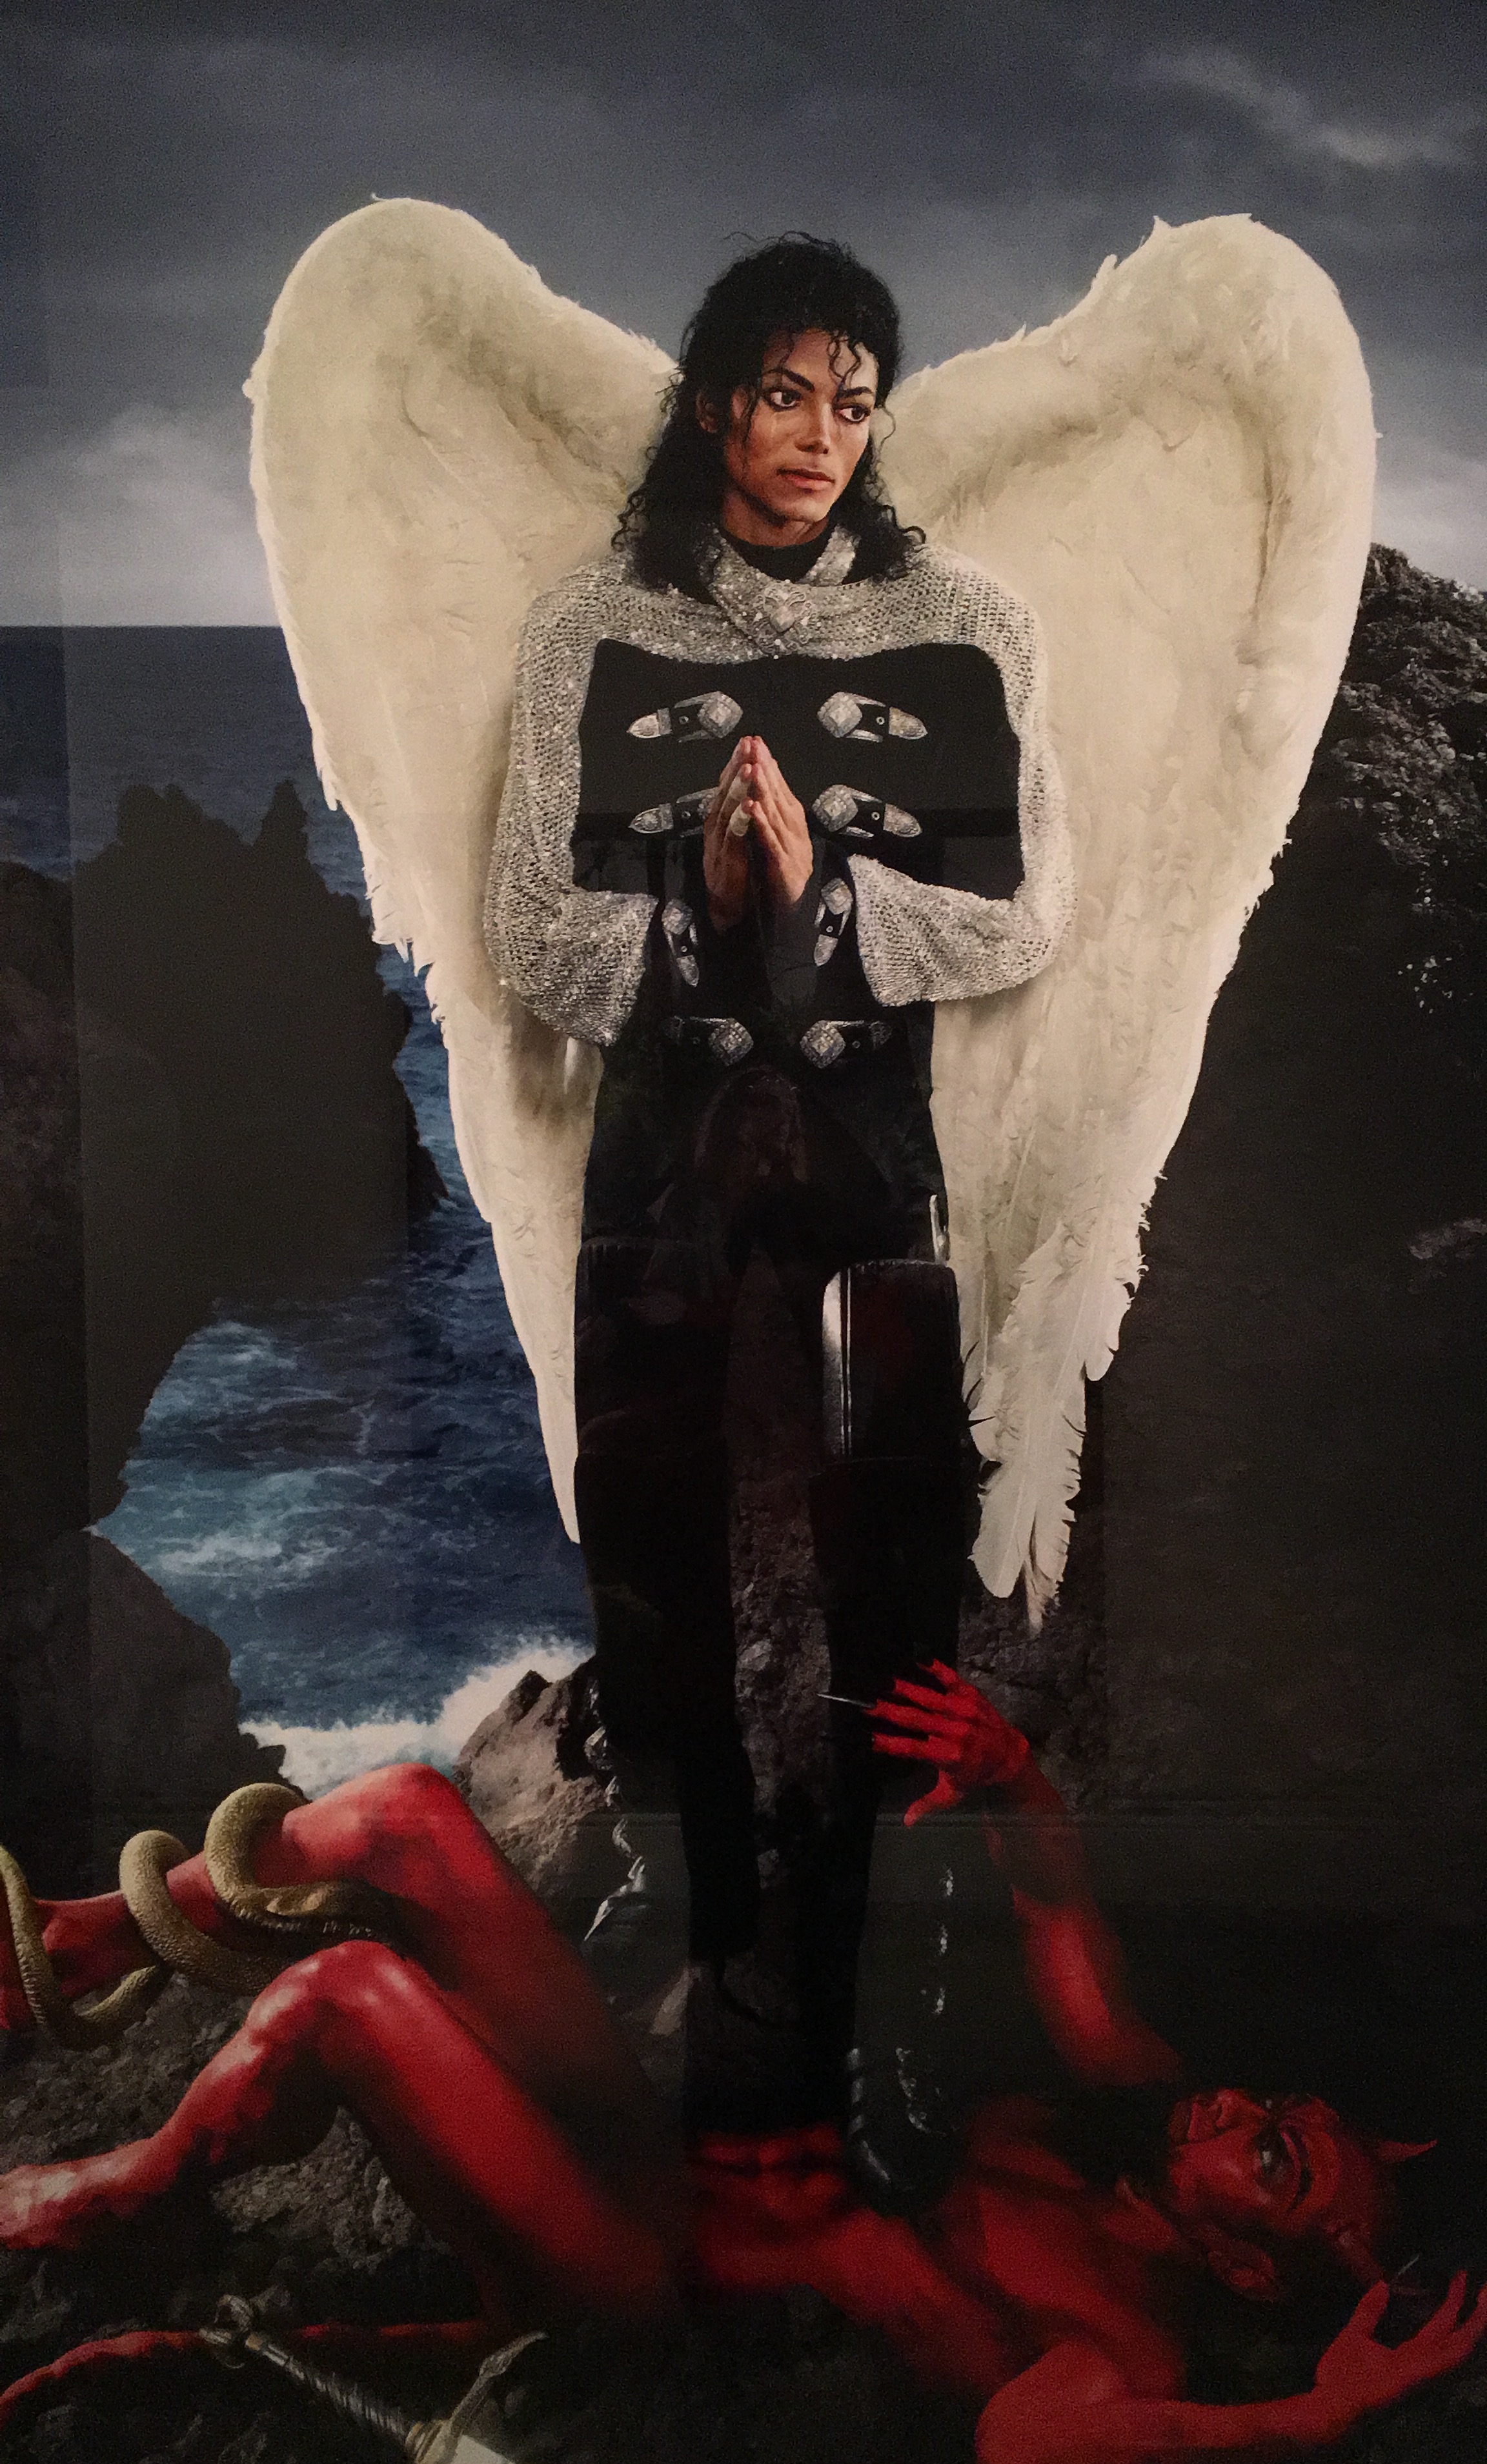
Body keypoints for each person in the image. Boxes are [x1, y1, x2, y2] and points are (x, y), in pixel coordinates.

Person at [2, 1670, 1481, 2464]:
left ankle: (138, 2192)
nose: (1236, 2111)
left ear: (1245, 2264)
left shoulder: (1122, 2341)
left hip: (635, 2270)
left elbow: (1023, 2453)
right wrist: (1013, 1771)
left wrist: (1317, 2415)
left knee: (346, 1994)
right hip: (650, 2144)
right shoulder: (1129, 2101)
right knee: (405, 1813)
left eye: (1272, 2159)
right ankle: (79, 1941)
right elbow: (1056, 1905)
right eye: (1278, 2104)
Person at [484, 235, 1074, 2108]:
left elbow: (1024, 913)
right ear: (715, 403)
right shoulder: (591, 626)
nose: (821, 434)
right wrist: (701, 902)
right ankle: (694, 1937)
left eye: (854, 402)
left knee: (896, 1548)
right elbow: (530, 937)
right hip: (660, 1155)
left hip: (869, 1143)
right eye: (785, 392)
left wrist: (826, 901)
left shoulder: (968, 622)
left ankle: (885, 1968)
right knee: (649, 1544)